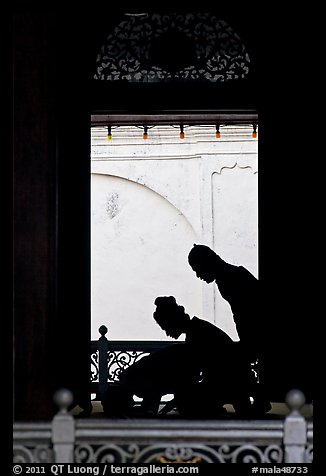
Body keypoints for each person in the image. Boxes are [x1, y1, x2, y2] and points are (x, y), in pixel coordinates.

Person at [187, 243, 271, 415]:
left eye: (198, 269)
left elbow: (247, 312)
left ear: (206, 264)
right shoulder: (230, 276)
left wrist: (249, 339)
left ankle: (255, 399)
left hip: (257, 333)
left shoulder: (229, 279)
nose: (198, 275)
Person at [151, 295, 255, 417]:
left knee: (183, 396)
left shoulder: (196, 335)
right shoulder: (198, 328)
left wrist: (176, 401)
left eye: (166, 327)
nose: (167, 333)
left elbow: (193, 375)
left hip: (232, 384)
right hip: (235, 381)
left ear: (173, 320)